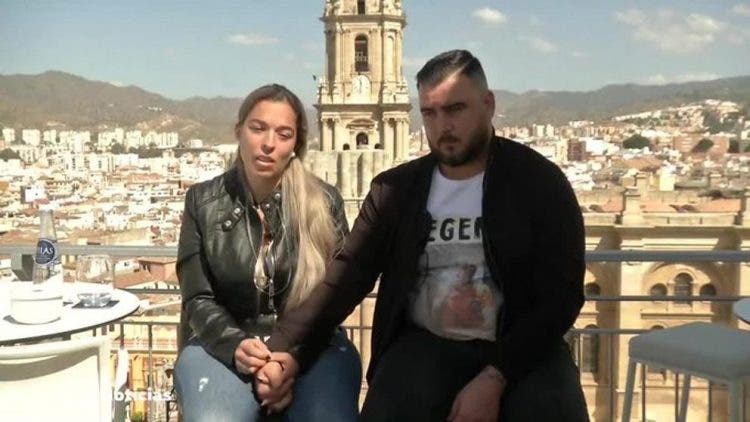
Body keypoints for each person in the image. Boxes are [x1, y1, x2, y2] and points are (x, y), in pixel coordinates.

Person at [257, 50, 590, 421]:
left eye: (455, 109)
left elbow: (562, 296)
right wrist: (283, 348)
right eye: (430, 113)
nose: (442, 125)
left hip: (522, 350)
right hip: (425, 349)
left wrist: (496, 376)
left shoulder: (540, 184)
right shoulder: (395, 192)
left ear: (488, 104)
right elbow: (346, 279)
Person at [174, 84, 361, 421]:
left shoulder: (325, 202)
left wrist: (290, 357)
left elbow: (336, 295)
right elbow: (197, 297)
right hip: (221, 344)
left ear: (296, 145)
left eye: (283, 134)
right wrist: (236, 345)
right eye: (258, 128)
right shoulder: (202, 203)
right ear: (239, 131)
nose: (268, 143)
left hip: (312, 345)